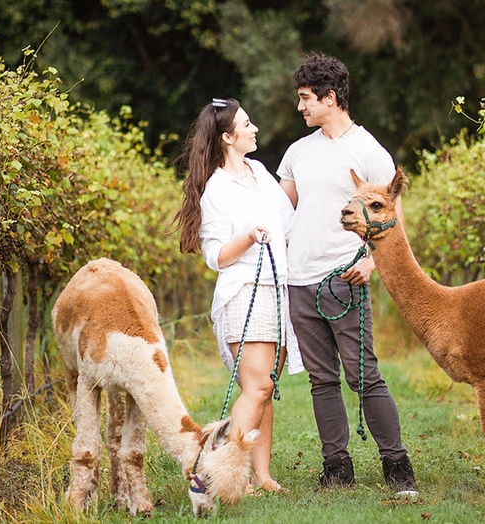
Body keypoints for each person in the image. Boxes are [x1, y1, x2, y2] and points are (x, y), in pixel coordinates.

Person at [277, 53, 418, 497]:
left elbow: (394, 217)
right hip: (300, 280)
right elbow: (281, 209)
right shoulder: (298, 152)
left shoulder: (368, 151)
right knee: (322, 380)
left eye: (305, 99)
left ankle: (397, 466)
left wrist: (372, 261)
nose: (300, 107)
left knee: (363, 375)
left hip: (344, 279)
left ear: (329, 97)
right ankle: (336, 467)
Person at [173, 97, 304, 493]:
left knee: (262, 390)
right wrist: (247, 237)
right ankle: (211, 473)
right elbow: (216, 256)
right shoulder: (217, 189)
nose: (255, 129)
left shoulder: (260, 172)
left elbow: (289, 222)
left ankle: (259, 475)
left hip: (276, 291)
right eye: (247, 125)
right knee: (259, 387)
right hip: (245, 292)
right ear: (228, 137)